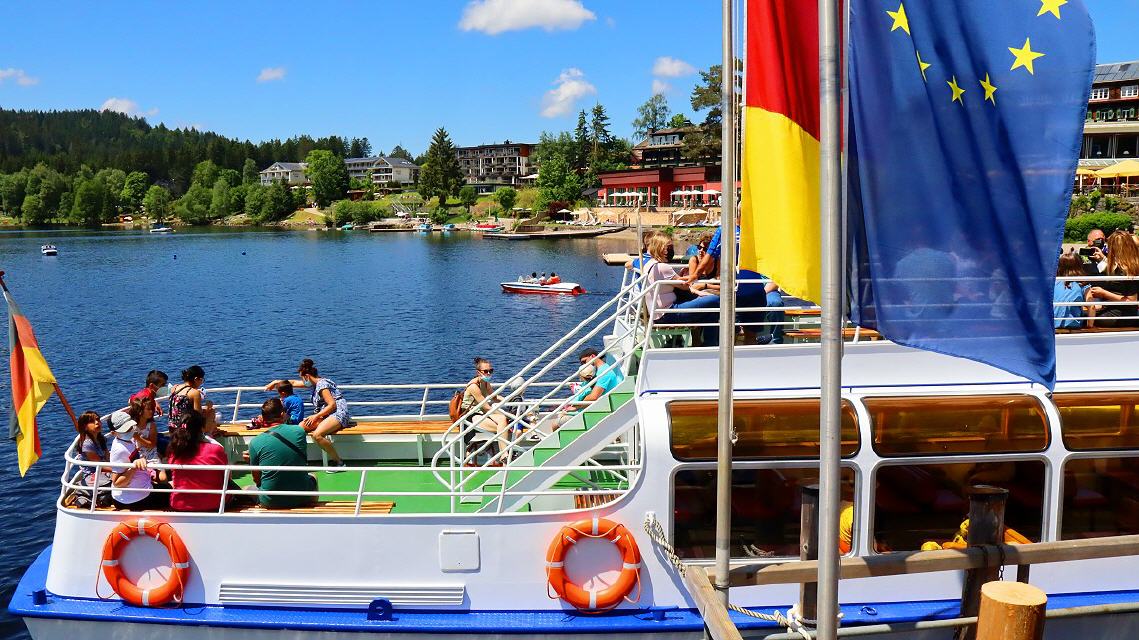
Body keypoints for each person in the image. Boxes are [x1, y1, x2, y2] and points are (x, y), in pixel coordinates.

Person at [265, 359, 350, 470]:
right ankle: (299, 459)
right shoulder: (314, 384)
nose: (302, 381)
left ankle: (339, 462)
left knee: (317, 435)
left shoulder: (322, 385)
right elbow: (293, 383)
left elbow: (332, 405)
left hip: (338, 413)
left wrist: (316, 416)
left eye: (302, 378)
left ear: (307, 376)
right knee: (299, 429)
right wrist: (276, 382)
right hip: (325, 414)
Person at [248, 398, 318, 509]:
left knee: (246, 488)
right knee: (313, 476)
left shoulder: (255, 442)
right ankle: (311, 504)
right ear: (282, 414)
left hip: (270, 501)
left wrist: (253, 459)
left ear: (263, 418)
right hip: (302, 497)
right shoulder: (299, 432)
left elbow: (257, 479)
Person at [167, 409, 235, 512]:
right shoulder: (216, 450)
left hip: (180, 505)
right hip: (216, 504)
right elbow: (227, 477)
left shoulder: (175, 452)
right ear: (202, 428)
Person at [108, 405, 167, 511]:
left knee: (167, 485)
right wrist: (134, 467)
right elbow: (117, 482)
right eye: (126, 430)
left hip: (140, 491)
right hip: (135, 499)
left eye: (130, 427)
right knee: (173, 491)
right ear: (113, 433)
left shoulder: (126, 440)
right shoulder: (119, 450)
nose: (130, 430)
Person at [460, 357, 510, 462]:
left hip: (481, 413)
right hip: (470, 416)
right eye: (486, 371)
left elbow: (494, 397)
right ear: (478, 372)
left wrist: (509, 400)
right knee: (504, 423)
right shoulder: (473, 386)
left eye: (491, 371)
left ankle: (504, 454)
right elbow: (486, 407)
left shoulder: (485, 383)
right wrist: (508, 415)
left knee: (503, 421)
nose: (488, 373)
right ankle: (504, 454)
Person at [1086, 230, 1139, 328]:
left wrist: (1103, 293)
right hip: (1115, 311)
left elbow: (1131, 301)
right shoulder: (1126, 266)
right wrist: (1102, 259)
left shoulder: (1128, 270)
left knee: (1080, 317)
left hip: (1120, 316)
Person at [74, 410, 111, 493]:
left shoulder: (101, 439)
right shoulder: (87, 444)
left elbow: (107, 457)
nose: (97, 422)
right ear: (85, 427)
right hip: (93, 474)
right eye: (92, 421)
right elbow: (99, 466)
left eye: (98, 419)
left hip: (104, 469)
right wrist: (119, 469)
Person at [168, 365, 212, 433]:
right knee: (212, 412)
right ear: (196, 379)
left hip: (172, 429)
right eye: (201, 380)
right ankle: (208, 435)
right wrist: (208, 407)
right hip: (187, 431)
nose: (201, 382)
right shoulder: (194, 393)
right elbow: (198, 415)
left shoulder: (175, 387)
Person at [1054, 250, 1090, 329]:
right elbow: (1092, 307)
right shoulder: (1083, 284)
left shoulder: (1055, 283)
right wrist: (1090, 326)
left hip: (1053, 323)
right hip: (1072, 325)